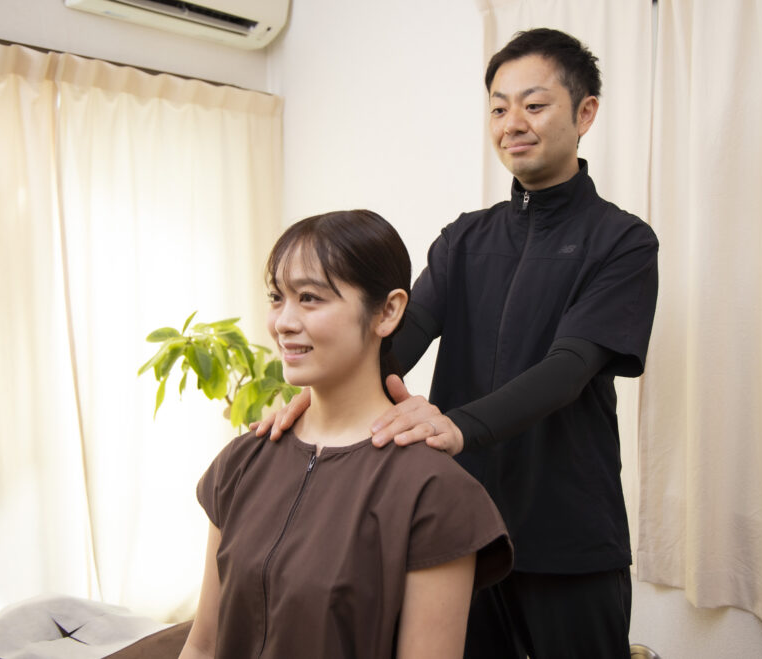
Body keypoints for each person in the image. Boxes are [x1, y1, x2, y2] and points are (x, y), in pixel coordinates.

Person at [256, 29, 658, 658]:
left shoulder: (623, 241)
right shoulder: (464, 240)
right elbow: (394, 342)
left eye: (534, 104)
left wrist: (456, 426)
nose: (512, 123)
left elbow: (570, 367)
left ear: (585, 114)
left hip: (569, 533)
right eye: (498, 108)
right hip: (459, 530)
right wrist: (318, 404)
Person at [179, 210, 513, 659]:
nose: (283, 322)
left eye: (310, 298)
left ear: (388, 311)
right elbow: (203, 646)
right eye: (276, 297)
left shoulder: (436, 493)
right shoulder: (242, 462)